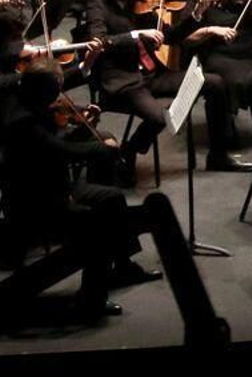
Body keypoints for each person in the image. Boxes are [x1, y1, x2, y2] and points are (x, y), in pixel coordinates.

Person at [1, 60, 162, 321]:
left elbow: (53, 148)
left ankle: (122, 267)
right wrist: (104, 148)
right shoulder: (22, 121)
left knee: (113, 199)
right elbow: (60, 152)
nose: (57, 98)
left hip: (52, 184)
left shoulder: (29, 104)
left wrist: (79, 126)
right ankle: (92, 299)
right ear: (42, 91)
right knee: (96, 228)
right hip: (36, 200)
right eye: (55, 91)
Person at [84, 0, 225, 185]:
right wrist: (136, 34)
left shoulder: (140, 4)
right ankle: (128, 151)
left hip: (152, 74)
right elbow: (99, 42)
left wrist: (196, 14)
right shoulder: (97, 6)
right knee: (160, 118)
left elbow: (173, 37)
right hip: (124, 81)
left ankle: (218, 155)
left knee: (214, 83)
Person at [169, 0, 252, 172]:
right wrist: (212, 30)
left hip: (248, 48)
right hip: (217, 52)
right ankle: (223, 139)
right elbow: (186, 38)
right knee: (232, 79)